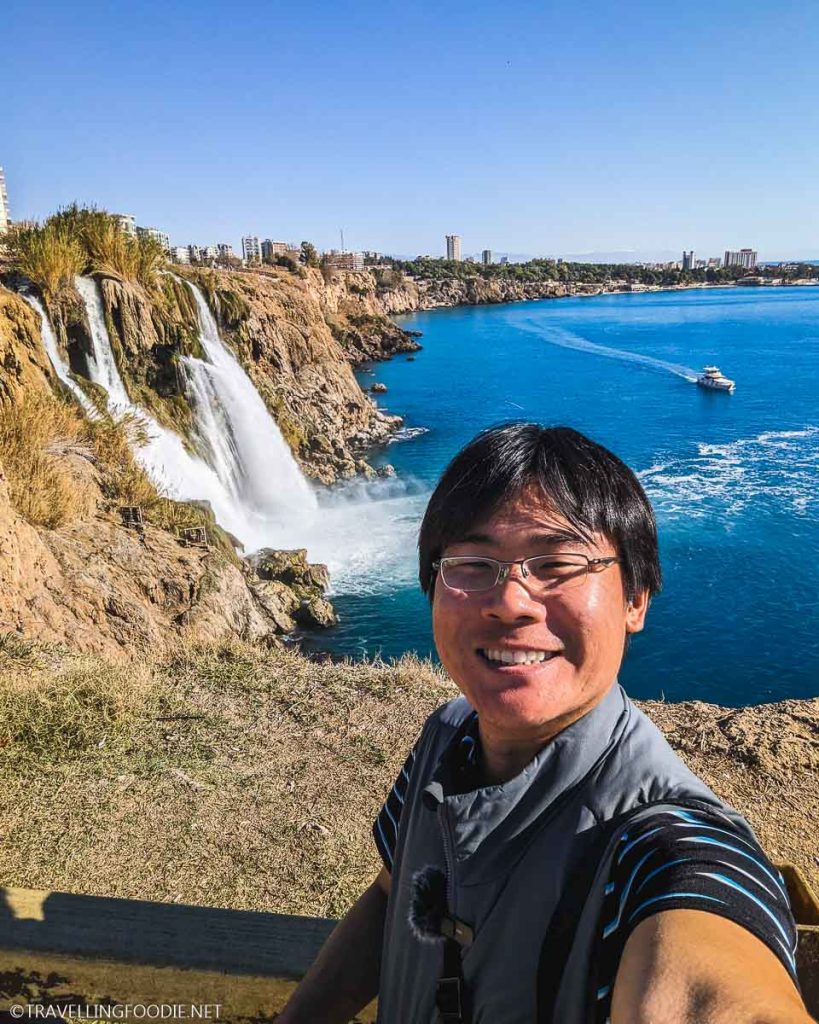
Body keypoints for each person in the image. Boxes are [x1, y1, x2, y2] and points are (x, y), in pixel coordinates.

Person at [278, 423, 810, 1024]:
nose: (511, 601)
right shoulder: (449, 733)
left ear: (635, 598)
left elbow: (708, 972)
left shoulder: (661, 846)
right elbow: (391, 895)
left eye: (557, 564)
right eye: (473, 563)